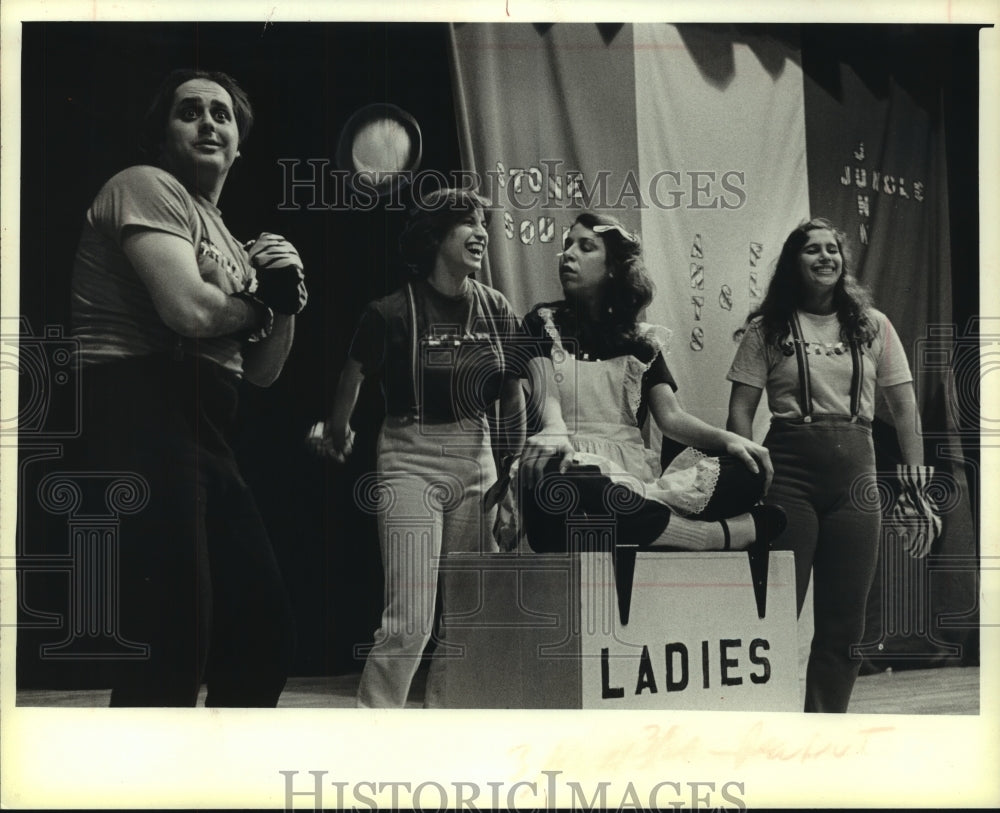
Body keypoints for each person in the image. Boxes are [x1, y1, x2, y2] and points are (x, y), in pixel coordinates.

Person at [70, 69, 306, 706]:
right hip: (140, 406)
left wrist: (285, 303)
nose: (208, 122)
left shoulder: (233, 240)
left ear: (238, 144)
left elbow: (263, 371)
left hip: (206, 425)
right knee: (173, 634)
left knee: (263, 632)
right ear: (163, 134)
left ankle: (220, 779)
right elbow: (192, 313)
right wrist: (257, 307)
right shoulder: (145, 186)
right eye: (190, 112)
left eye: (221, 115)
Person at [308, 188, 525, 708]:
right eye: (467, 223)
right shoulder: (390, 312)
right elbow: (351, 376)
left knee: (470, 615)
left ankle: (446, 729)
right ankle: (373, 733)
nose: (481, 233)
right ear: (434, 237)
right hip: (409, 457)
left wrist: (508, 478)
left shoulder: (496, 308)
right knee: (409, 620)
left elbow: (513, 395)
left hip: (477, 456)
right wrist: (337, 431)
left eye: (483, 223)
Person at [727, 217, 935, 713]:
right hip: (788, 478)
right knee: (772, 613)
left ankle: (823, 729)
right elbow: (740, 412)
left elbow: (904, 410)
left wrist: (915, 487)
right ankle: (763, 725)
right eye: (812, 250)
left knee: (846, 623)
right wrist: (742, 481)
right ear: (793, 263)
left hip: (856, 482)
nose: (825, 258)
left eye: (832, 250)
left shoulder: (873, 325)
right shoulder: (767, 329)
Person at [513, 212, 782, 562]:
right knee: (557, 483)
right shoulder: (541, 322)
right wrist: (553, 430)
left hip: (635, 480)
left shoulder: (641, 341)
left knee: (749, 470)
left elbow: (671, 417)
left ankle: (641, 522)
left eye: (586, 247)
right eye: (567, 246)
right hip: (571, 464)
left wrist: (731, 440)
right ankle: (707, 536)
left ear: (612, 268)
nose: (569, 254)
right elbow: (547, 397)